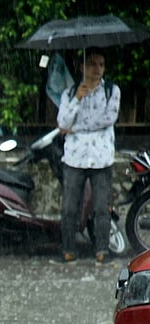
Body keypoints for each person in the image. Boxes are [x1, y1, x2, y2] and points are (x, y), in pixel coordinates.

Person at [55, 48, 120, 265]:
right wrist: (77, 100)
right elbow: (63, 123)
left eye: (101, 64)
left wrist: (76, 129)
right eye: (93, 64)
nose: (97, 69)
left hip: (101, 158)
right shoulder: (69, 93)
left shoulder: (112, 91)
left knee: (101, 207)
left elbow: (107, 119)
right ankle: (68, 249)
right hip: (75, 157)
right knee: (69, 207)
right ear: (83, 67)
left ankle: (101, 249)